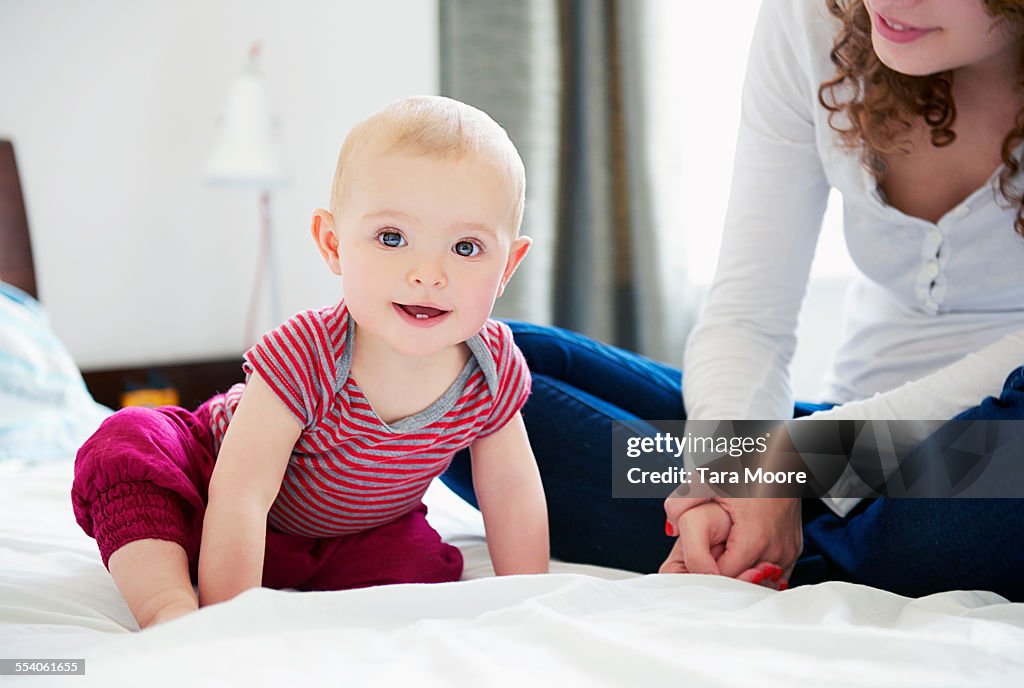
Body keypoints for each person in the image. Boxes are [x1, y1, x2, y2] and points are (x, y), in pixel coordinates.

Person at [441, 0, 1024, 601]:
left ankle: (796, 550)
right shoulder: (819, 20)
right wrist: (731, 468)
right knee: (459, 367)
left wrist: (797, 463)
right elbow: (749, 314)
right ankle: (775, 531)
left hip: (989, 454)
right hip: (840, 429)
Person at [72, 95, 549, 629]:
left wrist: (528, 604)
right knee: (127, 444)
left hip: (352, 533)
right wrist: (227, 621)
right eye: (392, 238)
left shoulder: (491, 366)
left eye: (466, 248)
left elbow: (511, 491)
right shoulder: (309, 352)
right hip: (212, 491)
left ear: (508, 265)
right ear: (333, 243)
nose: (427, 273)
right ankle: (168, 606)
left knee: (422, 566)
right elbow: (242, 491)